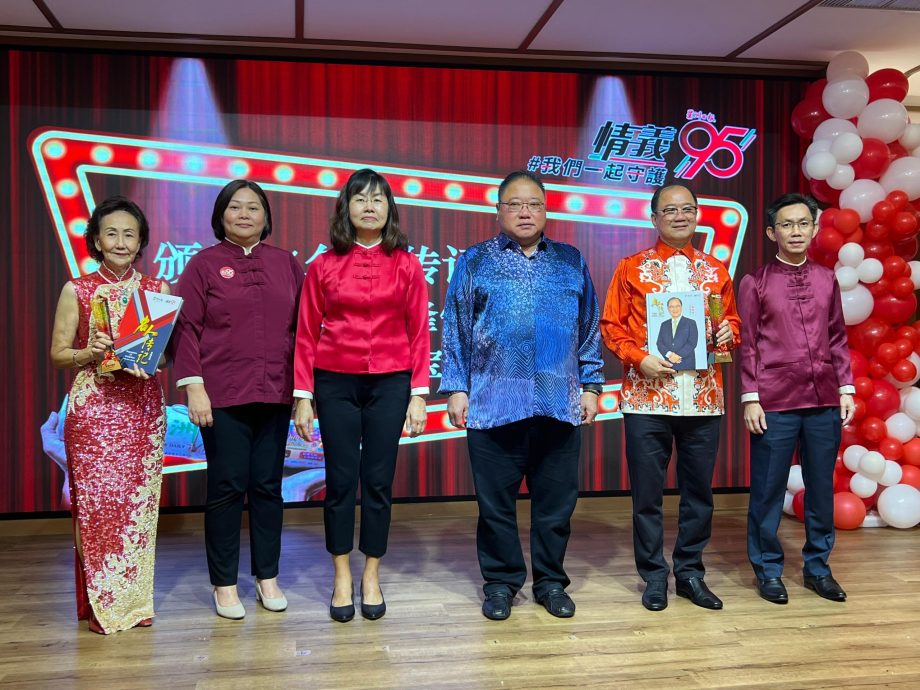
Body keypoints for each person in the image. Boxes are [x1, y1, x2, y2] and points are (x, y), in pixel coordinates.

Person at [440, 170, 604, 621]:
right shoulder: (475, 261)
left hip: (558, 401)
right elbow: (455, 327)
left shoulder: (570, 260)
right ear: (498, 211)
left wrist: (591, 385)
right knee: (495, 506)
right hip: (494, 403)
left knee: (556, 506)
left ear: (546, 210)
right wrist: (457, 388)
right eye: (514, 204)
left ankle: (550, 583)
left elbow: (589, 327)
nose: (525, 212)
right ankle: (501, 584)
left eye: (534, 204)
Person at [293, 168, 429, 623]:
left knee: (378, 480)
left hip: (390, 382)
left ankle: (371, 572)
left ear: (389, 209)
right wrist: (303, 395)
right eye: (360, 199)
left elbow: (419, 332)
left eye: (377, 199)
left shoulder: (407, 265)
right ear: (345, 208)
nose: (369, 207)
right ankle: (340, 575)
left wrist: (418, 394)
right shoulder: (323, 265)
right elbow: (306, 333)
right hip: (335, 382)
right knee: (340, 481)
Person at [601, 184, 740, 612]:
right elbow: (611, 326)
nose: (680, 216)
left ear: (697, 215)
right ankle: (654, 575)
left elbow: (731, 322)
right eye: (670, 210)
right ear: (654, 218)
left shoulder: (716, 270)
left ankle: (691, 573)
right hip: (647, 399)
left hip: (702, 397)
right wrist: (638, 358)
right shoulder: (632, 268)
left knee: (699, 493)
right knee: (647, 494)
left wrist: (729, 331)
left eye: (688, 209)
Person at [172, 180, 304, 619]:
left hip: (276, 392)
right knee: (227, 487)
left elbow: (302, 330)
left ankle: (268, 577)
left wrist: (303, 391)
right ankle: (224, 583)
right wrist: (194, 386)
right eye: (235, 207)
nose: (244, 214)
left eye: (253, 207)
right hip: (222, 395)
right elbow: (186, 328)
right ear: (220, 216)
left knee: (268, 487)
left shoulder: (286, 263)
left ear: (266, 217)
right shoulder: (203, 265)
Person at [49, 196, 168, 634]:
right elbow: (58, 354)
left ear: (141, 241)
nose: (121, 242)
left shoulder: (157, 291)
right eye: (111, 233)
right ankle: (103, 606)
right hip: (94, 412)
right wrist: (88, 352)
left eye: (129, 234)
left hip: (142, 409)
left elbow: (164, 356)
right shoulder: (77, 289)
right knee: (97, 508)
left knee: (138, 509)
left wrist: (151, 358)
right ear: (96, 240)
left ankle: (133, 603)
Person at [739, 193, 855, 604]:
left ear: (814, 228)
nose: (796, 231)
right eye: (786, 225)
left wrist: (845, 388)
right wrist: (751, 396)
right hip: (774, 401)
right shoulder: (755, 282)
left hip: (823, 399)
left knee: (821, 489)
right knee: (767, 490)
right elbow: (748, 343)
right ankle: (768, 570)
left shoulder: (826, 278)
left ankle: (818, 568)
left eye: (803, 223)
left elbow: (837, 336)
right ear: (772, 232)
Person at [655, 297, 699, 371]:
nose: (675, 309)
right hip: (668, 364)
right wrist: (669, 355)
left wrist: (677, 356)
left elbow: (692, 343)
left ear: (681, 307)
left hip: (687, 364)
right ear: (668, 309)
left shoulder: (691, 323)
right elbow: (659, 343)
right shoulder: (664, 324)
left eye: (677, 306)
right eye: (671, 307)